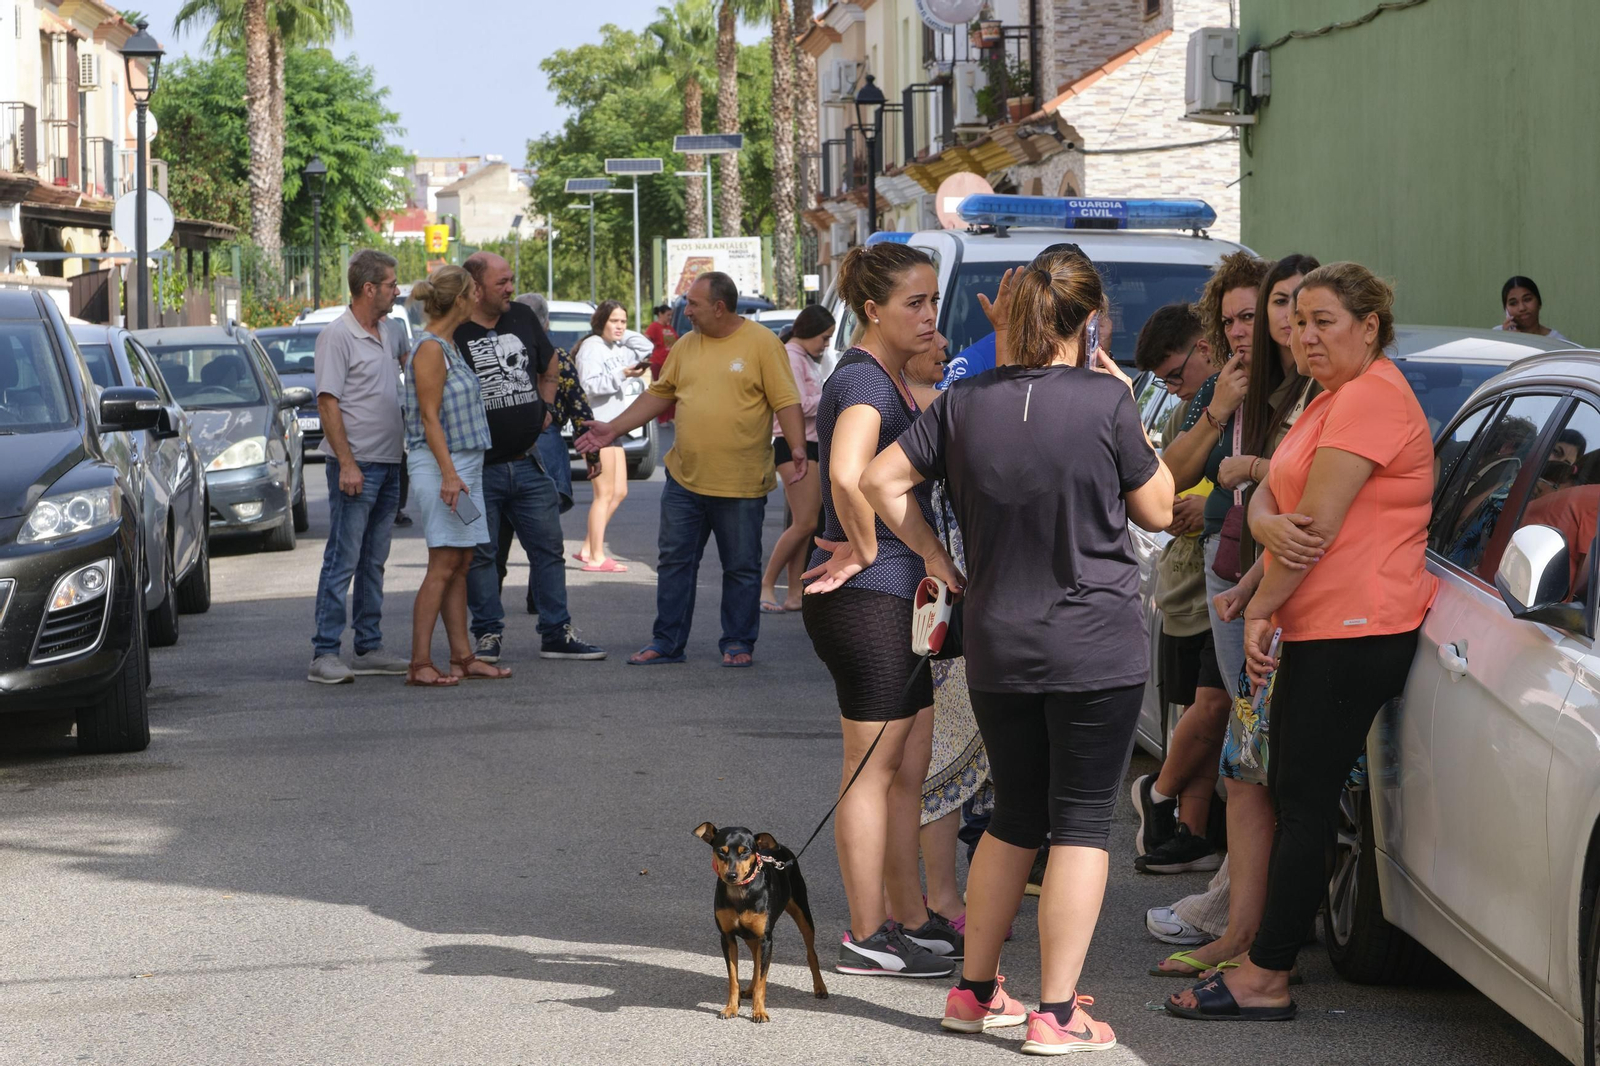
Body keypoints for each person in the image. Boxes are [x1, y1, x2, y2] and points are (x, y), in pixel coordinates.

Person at [860, 245, 1174, 1049]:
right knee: (1077, 825)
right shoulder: (1107, 401)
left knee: (1013, 817)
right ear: (1090, 320)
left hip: (998, 638)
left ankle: (972, 989)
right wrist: (1124, 399)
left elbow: (878, 481)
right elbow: (1160, 509)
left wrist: (934, 555)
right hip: (1093, 643)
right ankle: (1059, 1012)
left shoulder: (965, 403)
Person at [1168, 262, 1436, 1022]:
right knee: (1294, 797)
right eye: (1303, 321)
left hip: (1356, 629)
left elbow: (1306, 530)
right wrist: (1257, 553)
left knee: (1304, 805)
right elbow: (1270, 501)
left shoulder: (1372, 401)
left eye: (1327, 322)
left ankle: (1267, 974)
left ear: (1370, 326)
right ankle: (1264, 961)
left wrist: (1260, 609)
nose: (1307, 335)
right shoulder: (1332, 395)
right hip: (1319, 622)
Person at [1150, 254, 1324, 978]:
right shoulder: (1236, 387)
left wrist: (1247, 473)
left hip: (1279, 591)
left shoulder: (1321, 386)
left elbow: (1303, 498)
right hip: (1234, 580)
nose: (1253, 329)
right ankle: (1237, 916)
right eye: (1232, 321)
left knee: (1261, 763)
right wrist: (1219, 409)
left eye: (1262, 312)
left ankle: (1246, 919)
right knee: (1247, 764)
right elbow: (1169, 473)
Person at [799, 242, 957, 978]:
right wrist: (860, 545)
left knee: (908, 764)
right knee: (872, 769)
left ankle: (910, 916)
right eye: (913, 304)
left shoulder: (886, 374)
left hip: (895, 597)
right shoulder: (863, 379)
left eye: (933, 301)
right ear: (872, 311)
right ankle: (867, 932)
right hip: (865, 598)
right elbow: (846, 471)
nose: (929, 316)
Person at [573, 272, 806, 667]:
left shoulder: (762, 344)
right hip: (684, 479)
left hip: (741, 484)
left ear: (719, 307)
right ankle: (667, 642)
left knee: (741, 568)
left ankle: (737, 643)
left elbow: (786, 399)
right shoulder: (685, 346)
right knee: (675, 563)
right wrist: (612, 429)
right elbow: (659, 395)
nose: (687, 311)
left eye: (694, 304)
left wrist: (798, 446)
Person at [457, 253, 605, 665]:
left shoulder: (521, 316)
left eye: (511, 280)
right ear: (475, 287)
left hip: (528, 462)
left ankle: (556, 632)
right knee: (482, 555)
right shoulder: (455, 329)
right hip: (478, 470)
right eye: (501, 282)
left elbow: (552, 363)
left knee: (548, 549)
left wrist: (545, 406)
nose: (509, 288)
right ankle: (487, 635)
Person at [1127, 302, 1230, 875]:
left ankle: (1180, 817)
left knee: (1207, 709)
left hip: (1209, 578)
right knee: (1197, 706)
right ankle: (1187, 825)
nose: (1171, 387)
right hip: (1185, 584)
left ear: (1202, 348)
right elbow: (1165, 488)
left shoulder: (1223, 404)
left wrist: (1207, 503)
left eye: (1173, 373)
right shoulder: (1188, 415)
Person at [402, 267, 509, 686]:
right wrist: (449, 475)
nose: (479, 298)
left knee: (461, 561)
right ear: (460, 300)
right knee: (443, 563)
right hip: (443, 469)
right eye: (474, 292)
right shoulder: (430, 348)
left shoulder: (448, 344)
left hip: (464, 468)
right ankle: (420, 664)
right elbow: (429, 418)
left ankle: (463, 656)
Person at [308, 250, 410, 685]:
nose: (396, 290)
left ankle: (368, 646)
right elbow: (327, 402)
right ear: (369, 288)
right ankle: (324, 653)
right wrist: (346, 463)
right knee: (343, 559)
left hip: (389, 463)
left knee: (374, 560)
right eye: (390, 284)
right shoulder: (338, 336)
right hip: (357, 467)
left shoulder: (391, 331)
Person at [759, 305, 834, 612]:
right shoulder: (791, 357)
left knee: (806, 523)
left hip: (809, 444)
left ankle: (794, 592)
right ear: (809, 331)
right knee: (804, 523)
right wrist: (832, 394)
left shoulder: (802, 357)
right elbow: (796, 404)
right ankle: (767, 584)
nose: (827, 344)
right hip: (793, 444)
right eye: (825, 337)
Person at [574, 300, 653, 572]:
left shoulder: (617, 346)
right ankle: (596, 557)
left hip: (613, 427)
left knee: (619, 491)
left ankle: (587, 547)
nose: (620, 326)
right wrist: (623, 374)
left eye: (624, 321)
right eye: (614, 321)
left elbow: (647, 348)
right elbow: (589, 386)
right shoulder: (591, 348)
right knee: (604, 493)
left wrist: (620, 332)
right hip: (597, 428)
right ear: (600, 322)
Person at [1494, 275, 1574, 343]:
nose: (1522, 308)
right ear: (1506, 309)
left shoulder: (1557, 342)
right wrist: (1505, 342)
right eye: (1513, 303)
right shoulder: (1496, 337)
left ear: (1539, 303)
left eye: (1527, 299)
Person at [645, 301, 679, 425]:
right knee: (662, 391)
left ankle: (671, 416)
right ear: (660, 314)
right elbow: (646, 339)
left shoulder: (669, 328)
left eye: (671, 315)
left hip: (670, 363)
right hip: (658, 362)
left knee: (672, 390)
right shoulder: (654, 327)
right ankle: (662, 418)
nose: (669, 318)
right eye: (668, 315)